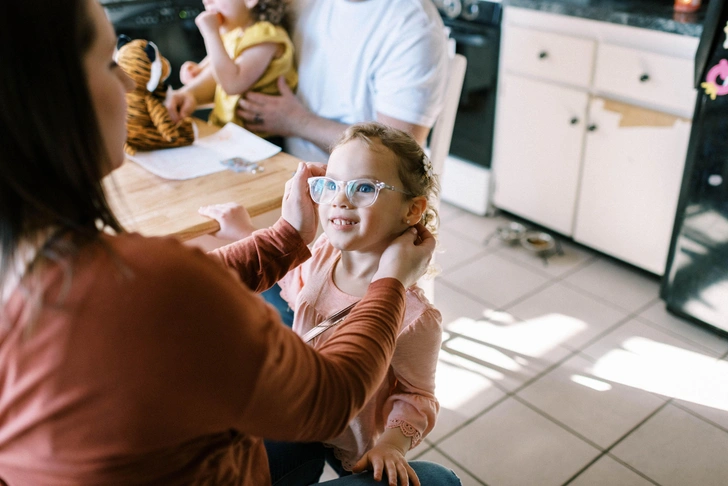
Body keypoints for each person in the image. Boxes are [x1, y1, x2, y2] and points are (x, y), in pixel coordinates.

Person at [0, 1, 461, 485]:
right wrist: (390, 282)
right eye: (109, 62)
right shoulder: (154, 280)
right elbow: (330, 402)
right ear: (48, 99)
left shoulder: (50, 264)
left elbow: (171, 294)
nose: (130, 83)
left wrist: (284, 239)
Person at [199, 122, 443, 485]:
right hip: (300, 410)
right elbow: (290, 281)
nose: (340, 199)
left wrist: (392, 444)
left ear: (412, 210)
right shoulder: (322, 254)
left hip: (354, 436)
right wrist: (248, 234)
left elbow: (417, 394)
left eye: (364, 188)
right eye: (330, 183)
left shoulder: (416, 316)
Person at [236, 0, 449, 162]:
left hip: (354, 194)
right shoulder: (306, 4)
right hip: (284, 164)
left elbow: (394, 154)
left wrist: (294, 121)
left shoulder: (413, 26)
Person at [165, 0, 297, 138]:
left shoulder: (266, 36)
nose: (207, 1)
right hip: (227, 131)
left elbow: (233, 84)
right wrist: (196, 71)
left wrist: (211, 33)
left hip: (259, 139)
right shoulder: (234, 34)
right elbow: (215, 67)